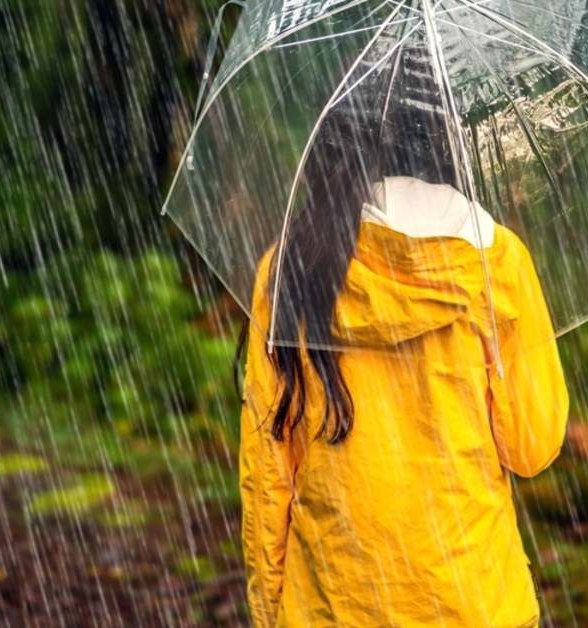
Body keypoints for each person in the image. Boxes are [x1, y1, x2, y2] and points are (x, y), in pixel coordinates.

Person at [236, 45, 569, 628]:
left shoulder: (288, 269)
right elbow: (532, 447)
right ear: (447, 136)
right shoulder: (498, 264)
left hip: (336, 606)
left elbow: (269, 472)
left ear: (339, 132)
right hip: (476, 601)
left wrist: (270, 608)